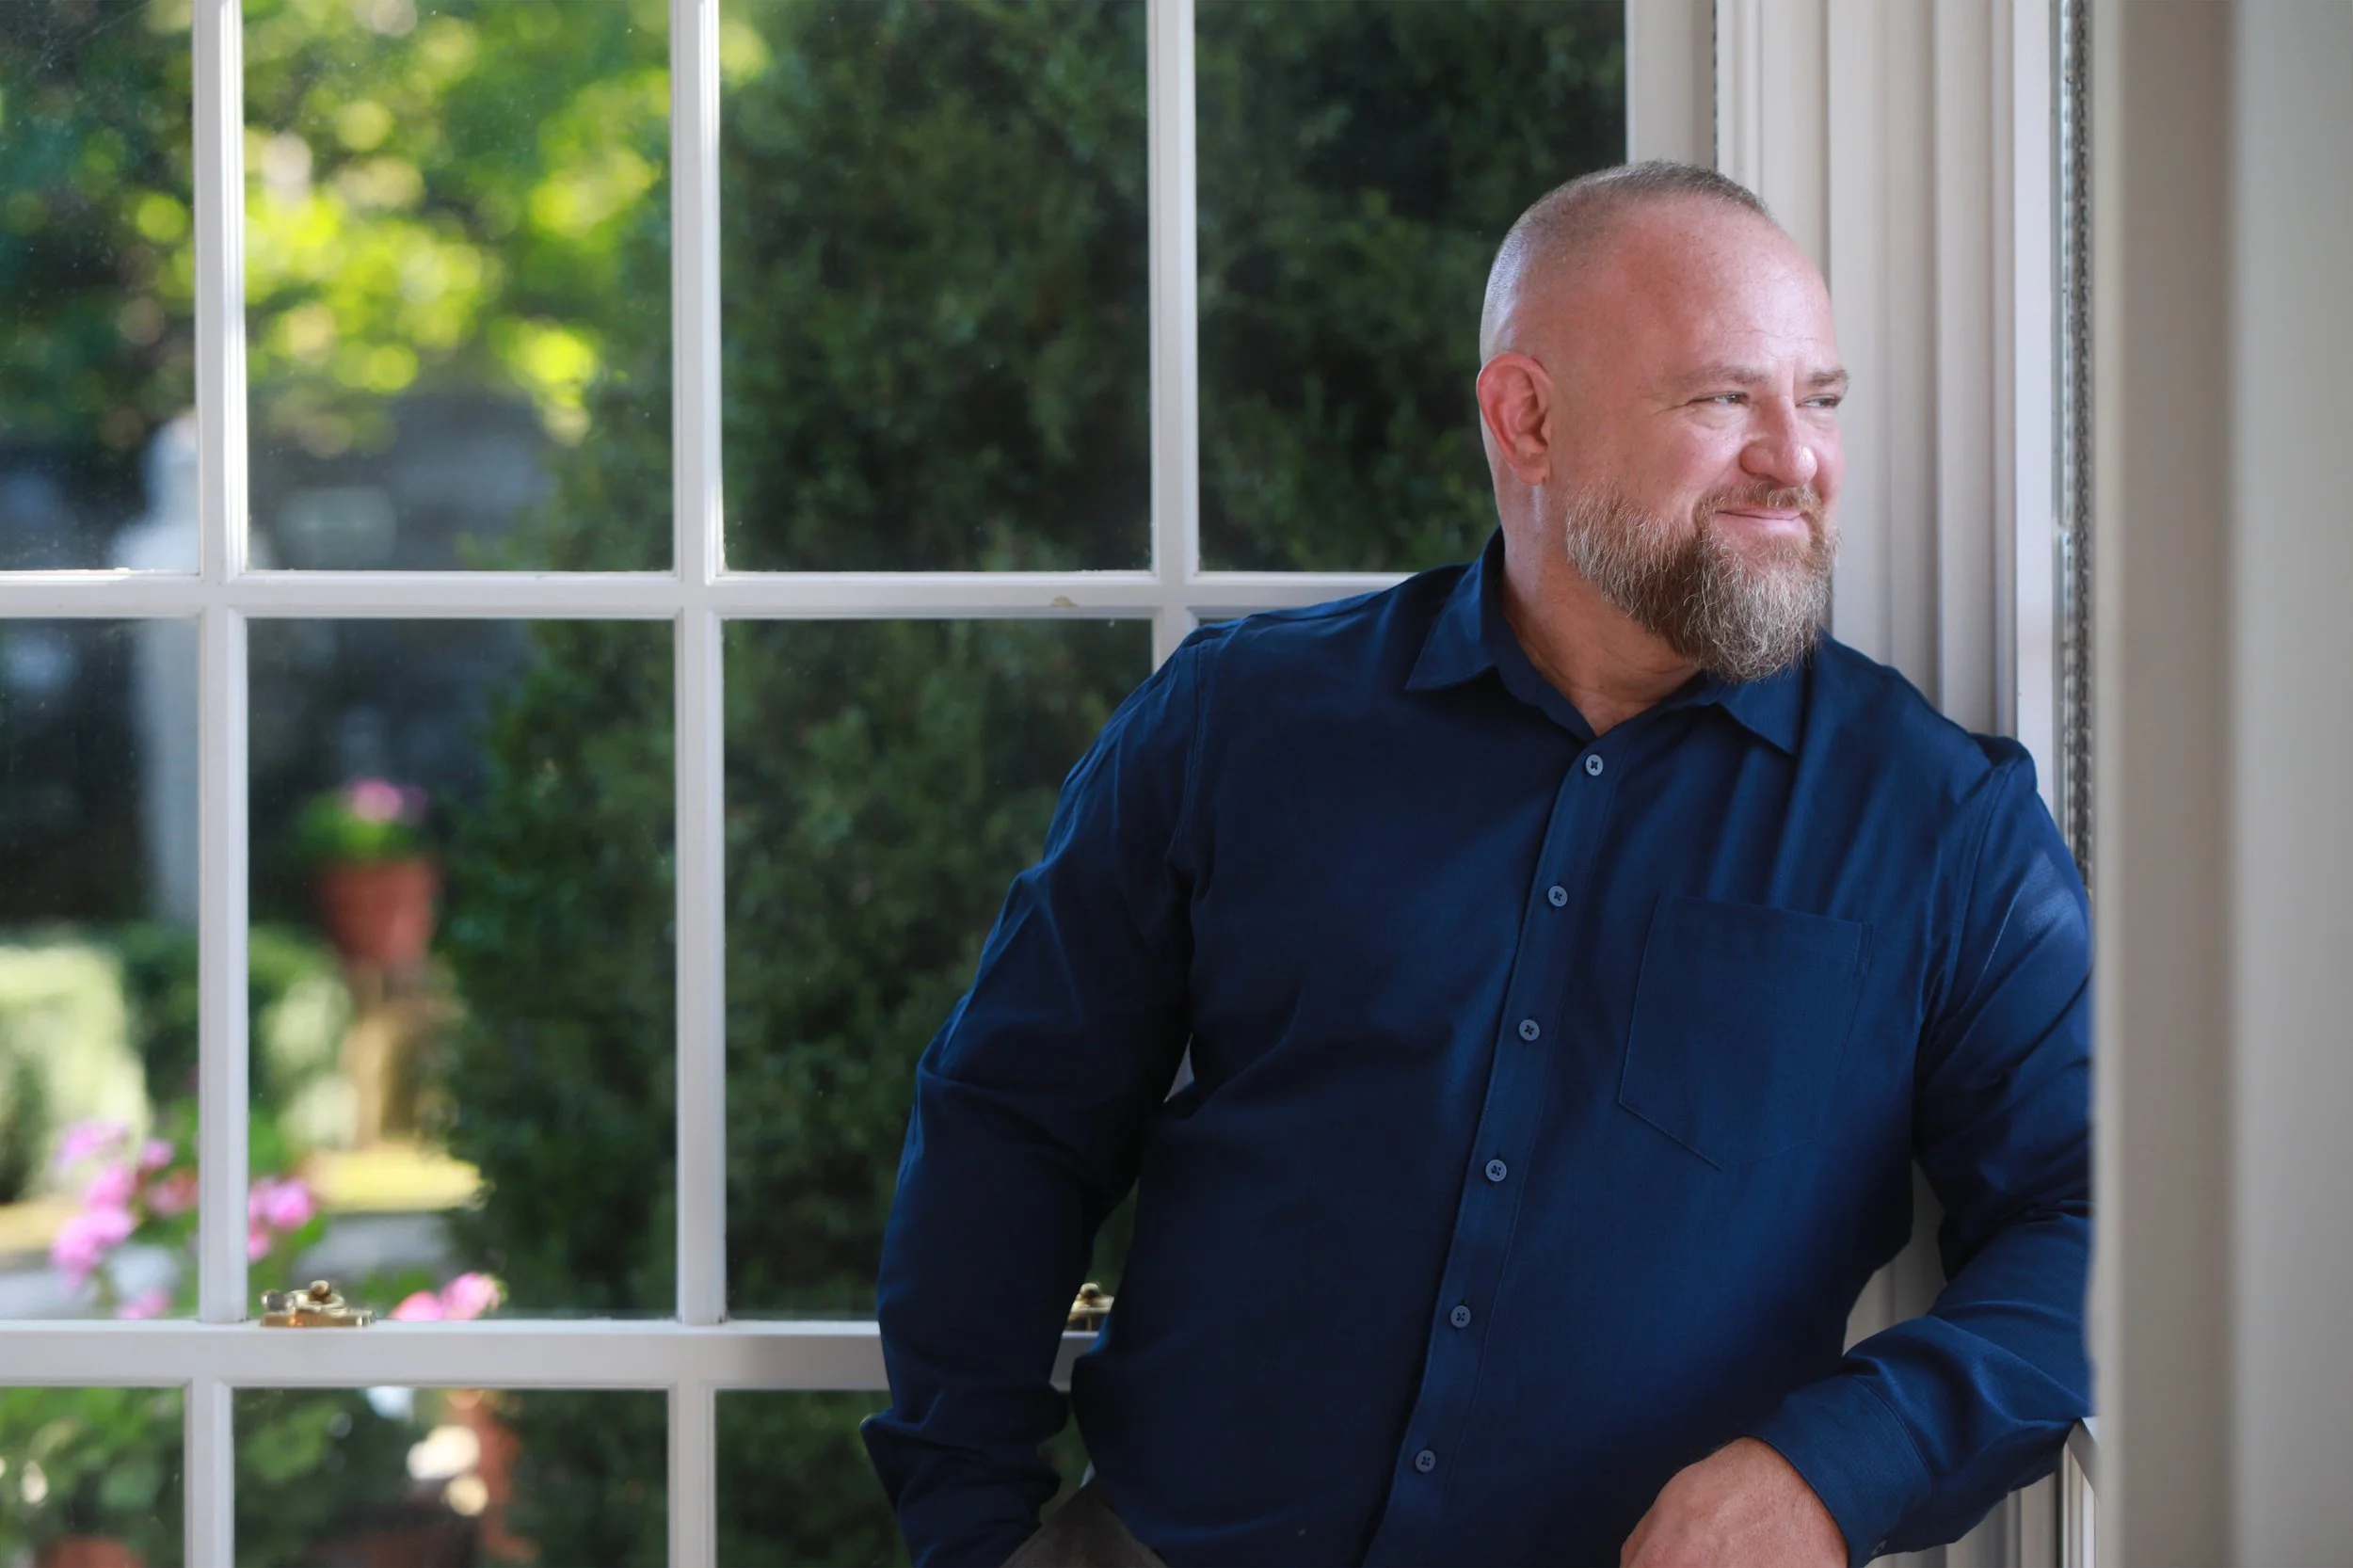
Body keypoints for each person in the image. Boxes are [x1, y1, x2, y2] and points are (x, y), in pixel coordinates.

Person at [863, 161, 2090, 1568]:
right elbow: (1010, 1119)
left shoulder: (1946, 822)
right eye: (1720, 399)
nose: (1792, 457)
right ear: (1529, 417)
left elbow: (2100, 1221)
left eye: (1818, 400)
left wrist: (1834, 1468)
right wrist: (970, 1527)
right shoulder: (1236, 727)